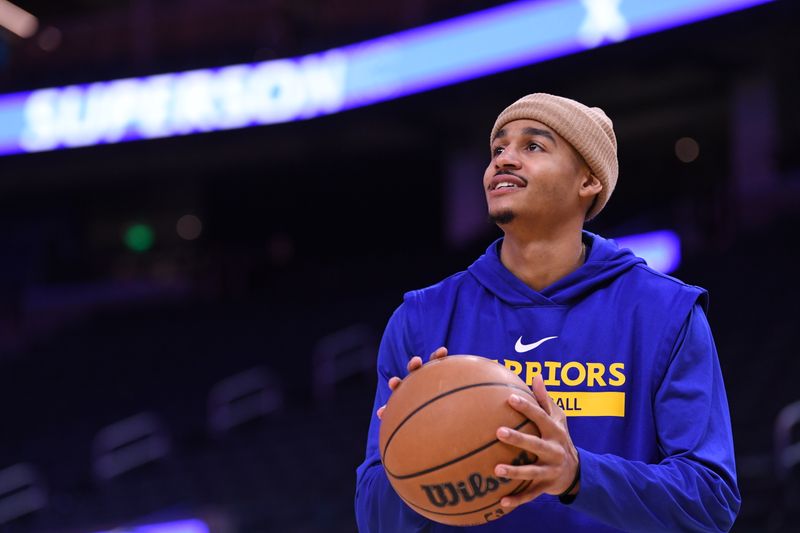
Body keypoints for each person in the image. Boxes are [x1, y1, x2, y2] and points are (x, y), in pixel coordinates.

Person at [354, 93, 740, 532]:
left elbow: (711, 500)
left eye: (532, 146)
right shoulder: (422, 318)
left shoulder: (666, 311)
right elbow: (374, 519)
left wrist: (578, 474)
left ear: (589, 181)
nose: (504, 160)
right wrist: (414, 452)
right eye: (498, 149)